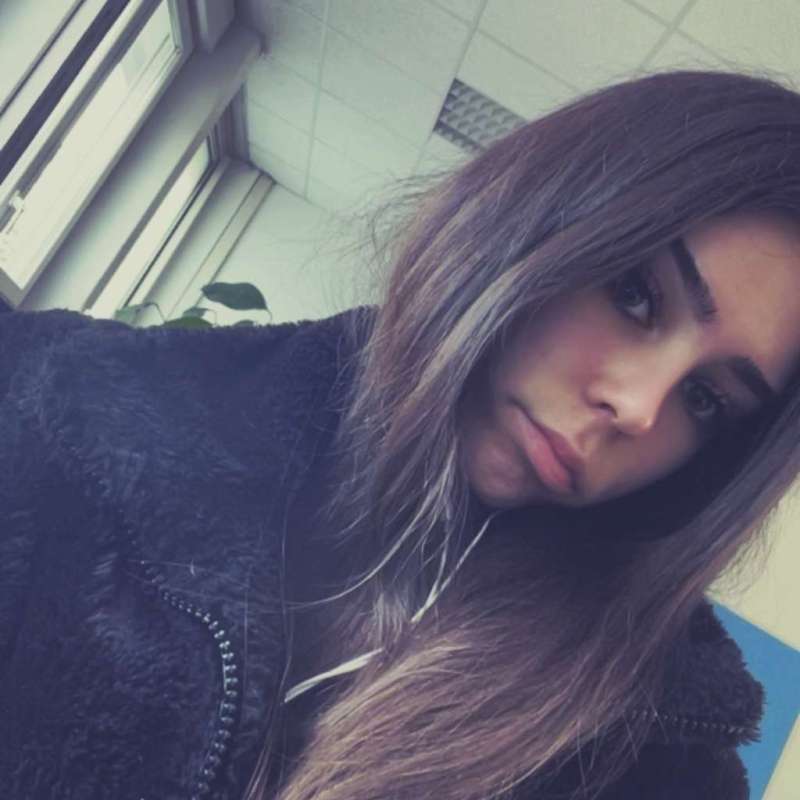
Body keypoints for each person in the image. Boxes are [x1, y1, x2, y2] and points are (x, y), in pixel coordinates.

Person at [1, 68, 798, 800]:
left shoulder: (656, 761)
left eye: (706, 399)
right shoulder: (58, 404)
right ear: (539, 216)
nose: (640, 408)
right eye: (636, 294)